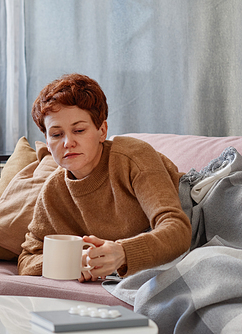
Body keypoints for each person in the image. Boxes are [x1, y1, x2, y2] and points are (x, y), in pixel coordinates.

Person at [17, 73, 191, 282]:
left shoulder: (132, 157)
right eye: (56, 134)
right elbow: (27, 259)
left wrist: (123, 252)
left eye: (79, 130)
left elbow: (178, 228)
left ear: (102, 131)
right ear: (46, 141)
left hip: (205, 218)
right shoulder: (53, 191)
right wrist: (71, 260)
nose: (67, 142)